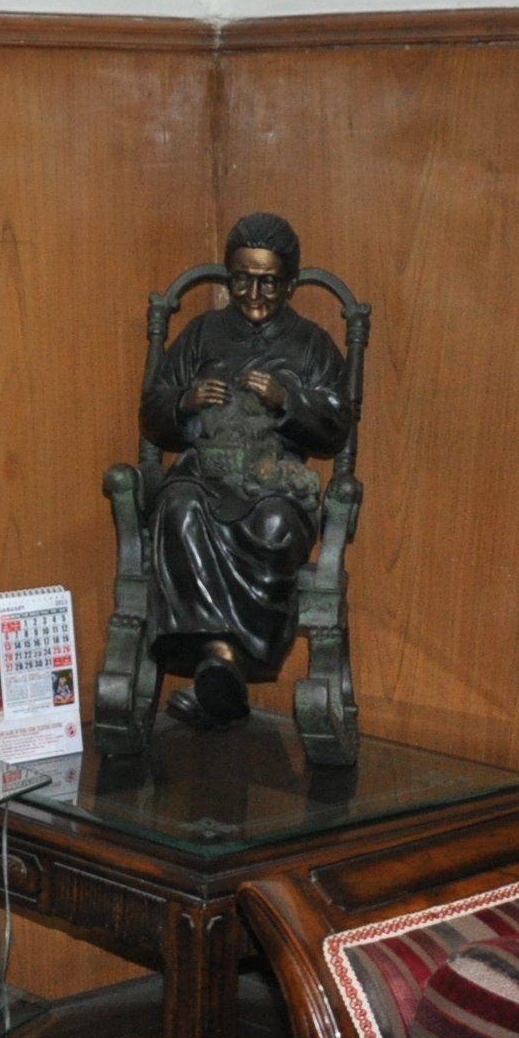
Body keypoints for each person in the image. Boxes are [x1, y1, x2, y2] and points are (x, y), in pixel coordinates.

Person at [139, 212, 351, 727]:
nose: (253, 293)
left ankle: (227, 662)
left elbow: (335, 427)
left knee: (277, 525)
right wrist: (185, 401)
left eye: (268, 282)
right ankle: (220, 663)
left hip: (274, 481)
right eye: (240, 279)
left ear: (291, 283)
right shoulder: (202, 334)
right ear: (228, 275)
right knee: (177, 509)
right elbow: (152, 415)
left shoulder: (312, 344)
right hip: (204, 474)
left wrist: (290, 401)